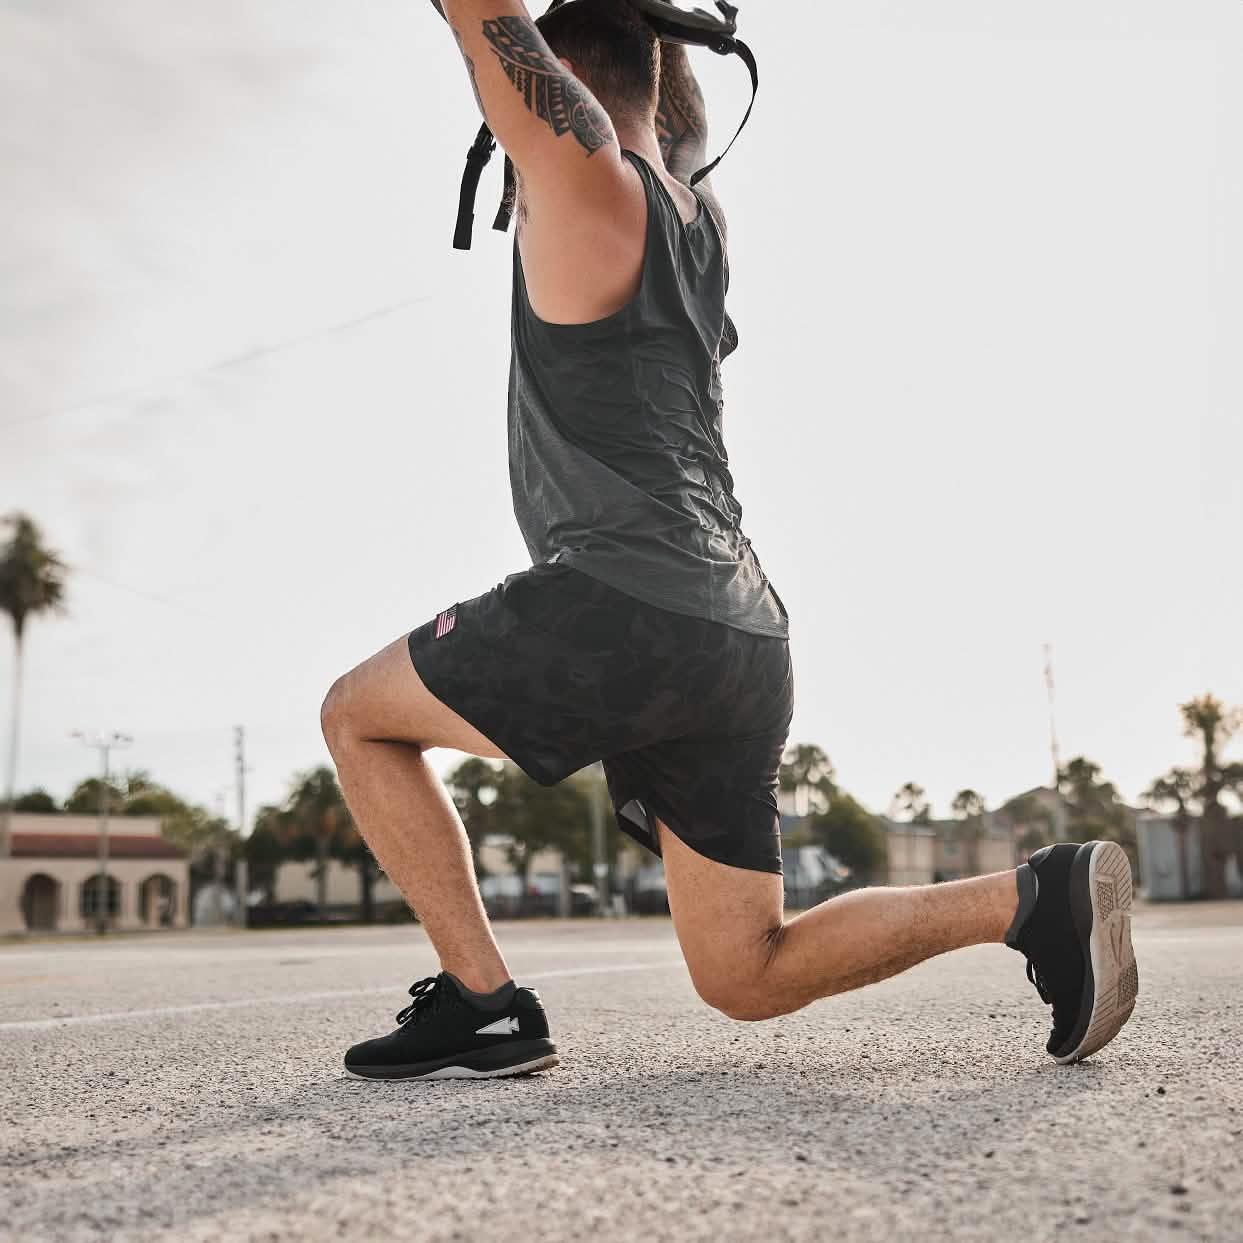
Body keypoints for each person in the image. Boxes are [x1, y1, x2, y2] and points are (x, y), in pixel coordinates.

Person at [320, 0, 1139, 1081]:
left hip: (623, 599)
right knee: (743, 970)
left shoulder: (587, 185)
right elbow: (660, 121)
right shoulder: (699, 224)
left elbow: (493, 29)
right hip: (741, 634)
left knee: (357, 716)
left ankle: (481, 1003)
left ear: (562, 80)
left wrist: (535, 62)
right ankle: (1034, 895)